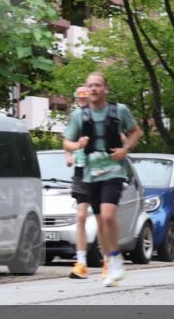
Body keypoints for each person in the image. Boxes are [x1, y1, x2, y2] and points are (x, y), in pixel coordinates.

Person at [62, 72, 144, 287]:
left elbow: (137, 132)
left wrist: (125, 149)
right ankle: (112, 261)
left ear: (105, 88)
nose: (94, 89)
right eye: (90, 85)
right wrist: (77, 145)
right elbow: (66, 143)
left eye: (98, 85)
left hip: (114, 170)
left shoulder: (119, 110)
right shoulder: (79, 116)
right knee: (100, 222)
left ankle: (115, 259)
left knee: (108, 216)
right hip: (90, 173)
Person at [65, 85, 100, 279]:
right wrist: (69, 155)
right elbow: (68, 140)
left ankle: (110, 258)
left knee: (102, 217)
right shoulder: (76, 117)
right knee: (80, 216)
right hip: (81, 170)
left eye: (84, 99)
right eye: (79, 99)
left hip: (100, 171)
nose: (81, 102)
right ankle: (81, 262)